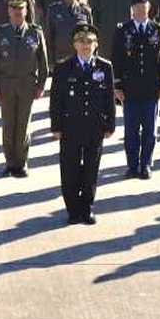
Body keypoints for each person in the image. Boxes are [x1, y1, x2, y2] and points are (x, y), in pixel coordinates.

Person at [50, 26, 115, 224]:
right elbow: (56, 100)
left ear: (96, 44)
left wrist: (110, 124)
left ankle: (87, 208)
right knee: (69, 170)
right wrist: (56, 127)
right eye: (82, 41)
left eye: (90, 42)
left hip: (94, 127)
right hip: (70, 127)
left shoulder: (104, 67)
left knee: (90, 170)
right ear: (74, 44)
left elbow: (109, 98)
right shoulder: (63, 68)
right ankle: (72, 209)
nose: (86, 46)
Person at [0, 0, 50, 178]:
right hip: (6, 85)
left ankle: (21, 163)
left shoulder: (35, 33)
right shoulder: (0, 33)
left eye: (20, 9)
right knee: (8, 125)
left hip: (27, 85)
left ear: (25, 11)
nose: (17, 13)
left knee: (23, 125)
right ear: (8, 11)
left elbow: (43, 63)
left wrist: (40, 85)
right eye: (13, 9)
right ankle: (9, 162)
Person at [112, 0, 160, 178]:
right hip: (130, 90)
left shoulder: (157, 30)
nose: (141, 12)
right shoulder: (123, 31)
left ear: (149, 9)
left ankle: (146, 165)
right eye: (137, 9)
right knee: (131, 132)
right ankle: (132, 165)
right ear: (132, 10)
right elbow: (117, 60)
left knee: (150, 132)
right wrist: (117, 87)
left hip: (151, 89)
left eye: (144, 9)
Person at [44, 0, 92, 73]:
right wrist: (50, 62)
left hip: (81, 59)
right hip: (61, 59)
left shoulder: (85, 11)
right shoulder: (53, 10)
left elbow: (92, 38)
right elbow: (49, 37)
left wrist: (92, 59)